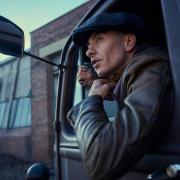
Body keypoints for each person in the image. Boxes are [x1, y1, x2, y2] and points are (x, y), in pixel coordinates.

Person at [67, 12, 173, 180]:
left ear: (128, 42)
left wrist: (91, 100)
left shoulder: (149, 66)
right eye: (88, 44)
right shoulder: (134, 73)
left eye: (99, 39)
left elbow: (100, 158)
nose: (88, 52)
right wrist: (97, 85)